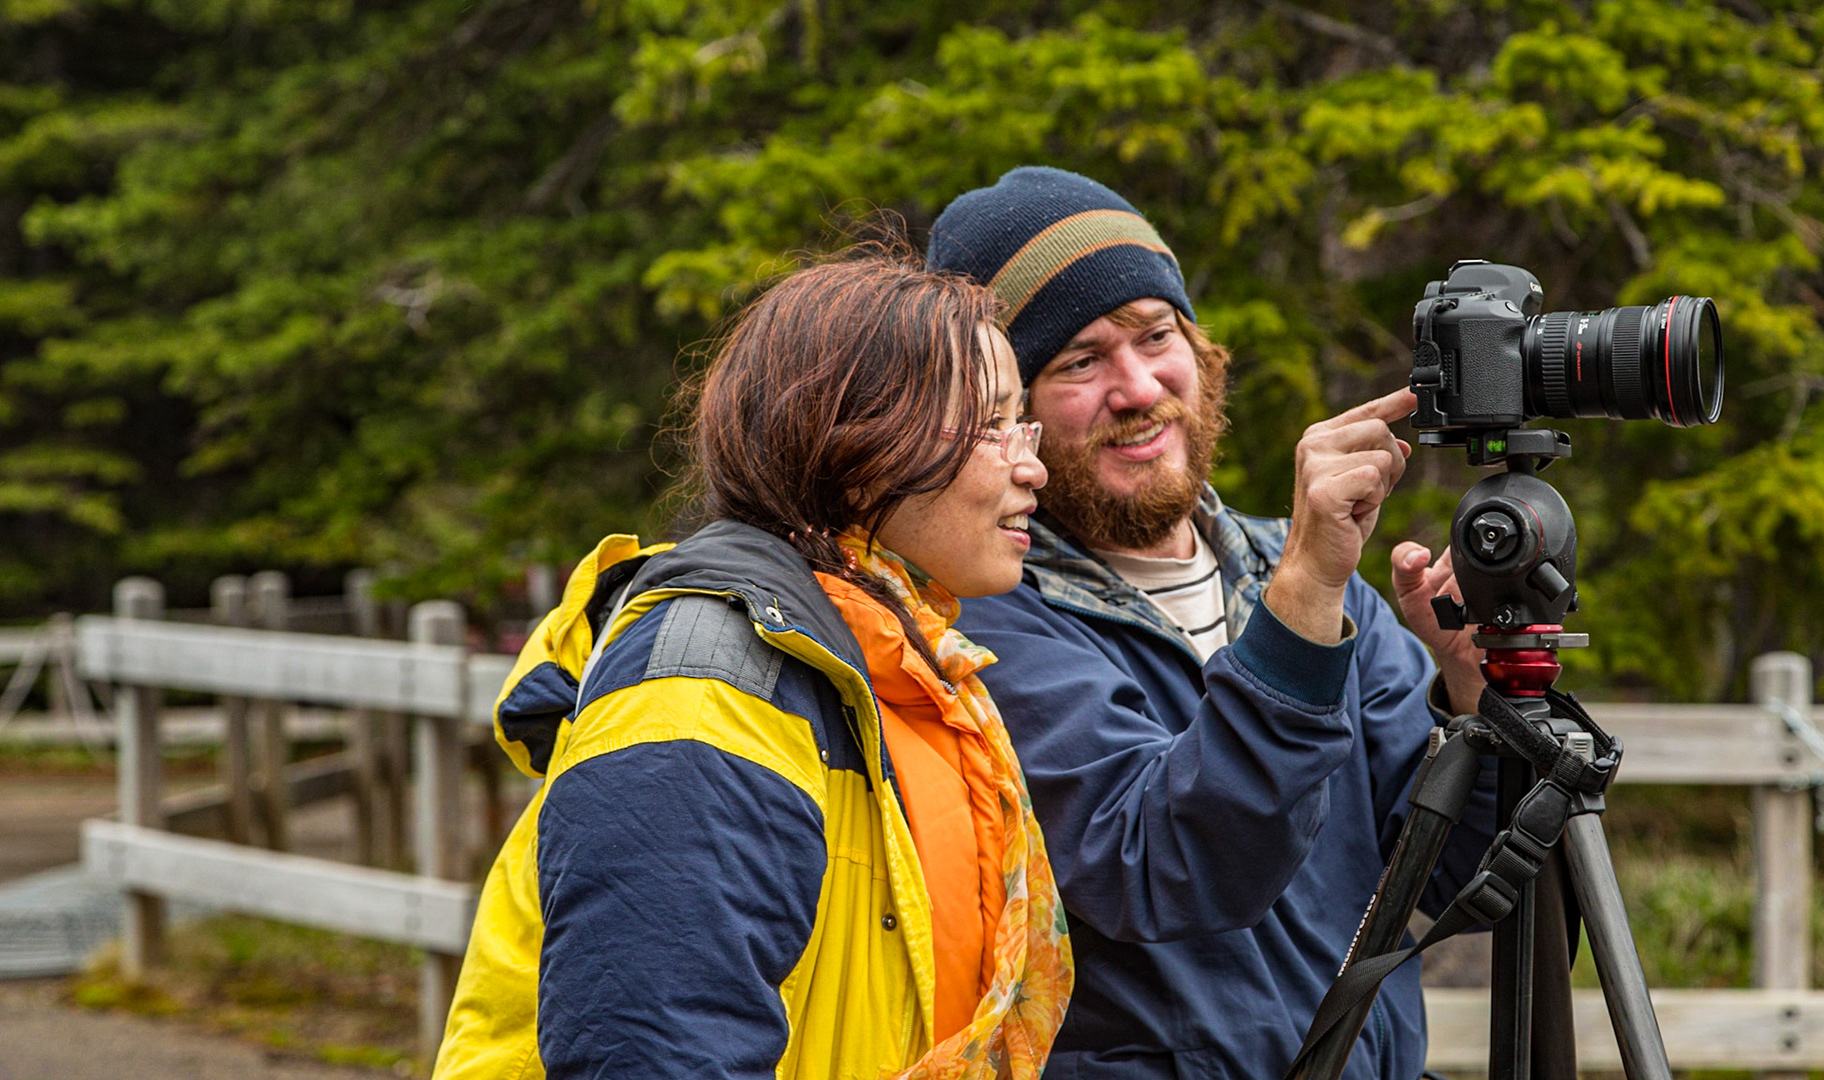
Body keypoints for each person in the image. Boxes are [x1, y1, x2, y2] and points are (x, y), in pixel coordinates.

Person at [434, 251, 1071, 1080]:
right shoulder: (703, 692)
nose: (1033, 466)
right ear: (855, 440)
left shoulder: (903, 673)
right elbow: (654, 1054)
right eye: (989, 426)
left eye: (1023, 424)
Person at [926, 166, 1499, 1080]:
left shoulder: (1315, 585)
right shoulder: (987, 625)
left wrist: (1476, 693)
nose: (1137, 387)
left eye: (1157, 335)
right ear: (1010, 414)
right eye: (1079, 361)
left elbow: (1461, 874)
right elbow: (1161, 863)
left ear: (1200, 349)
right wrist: (1303, 596)